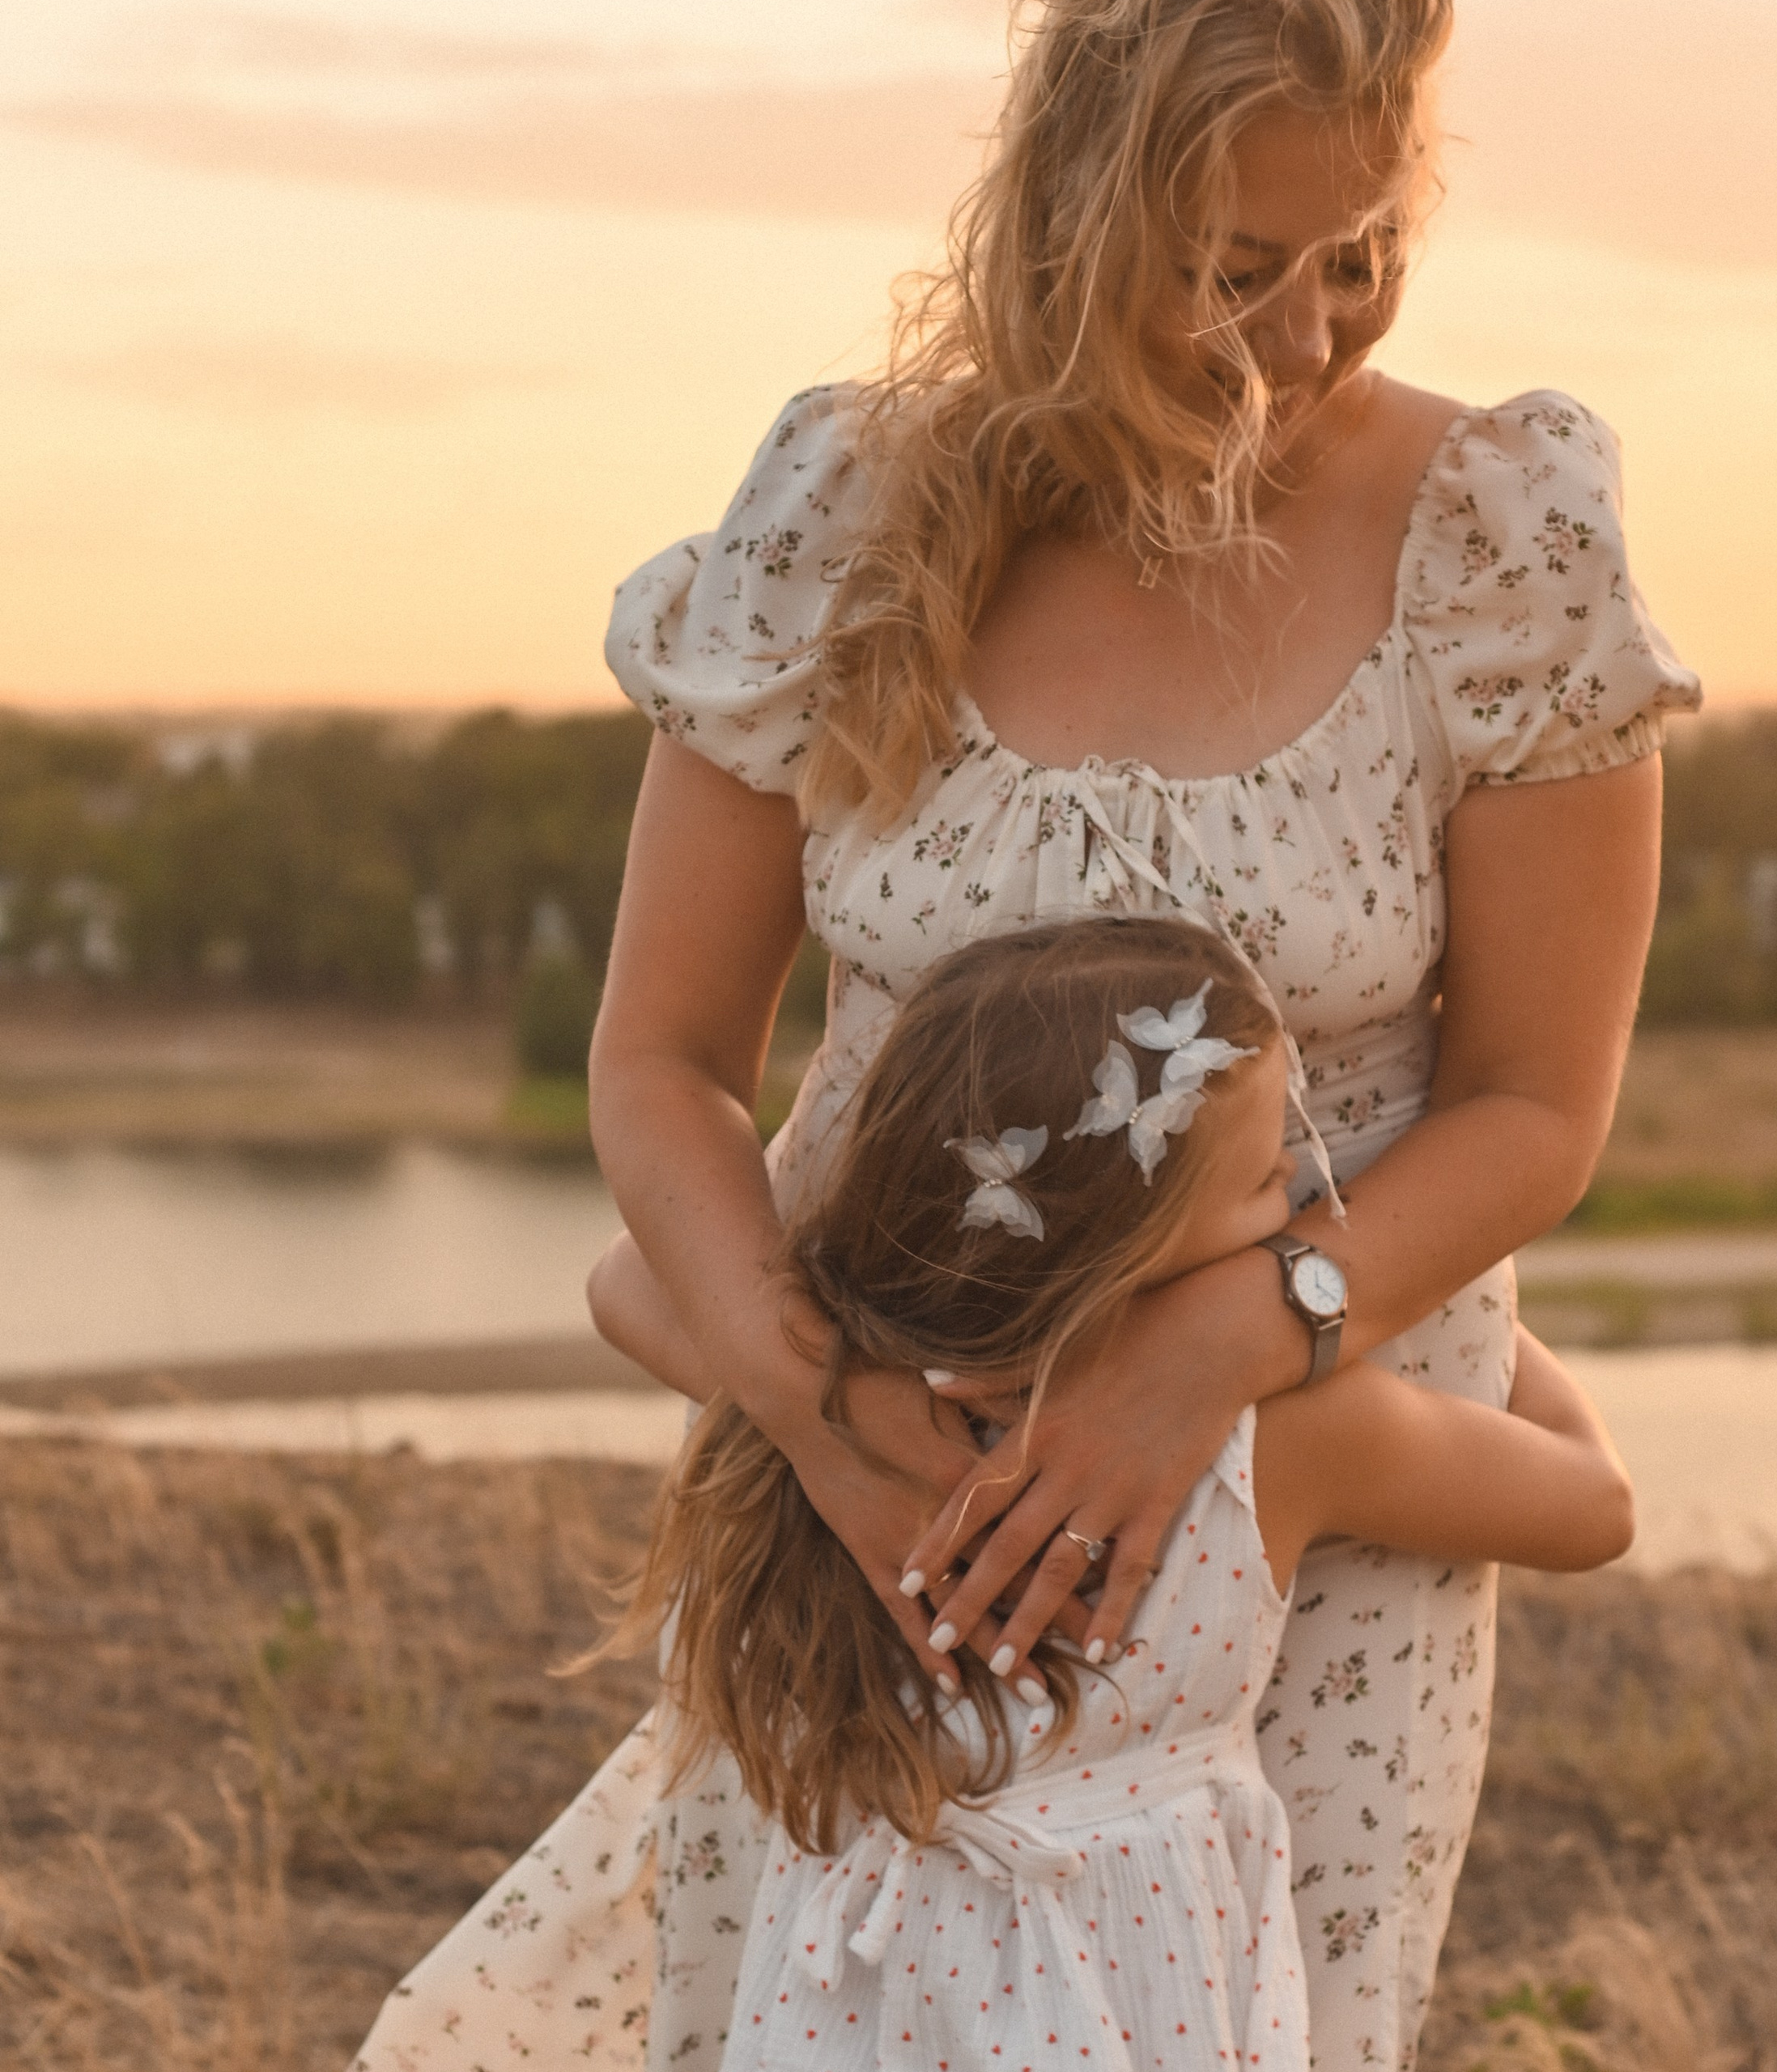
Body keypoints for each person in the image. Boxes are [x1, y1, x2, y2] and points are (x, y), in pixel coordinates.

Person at [352, 0, 1699, 2065]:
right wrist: (826, 1422)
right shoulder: (846, 508)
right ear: (1075, 213)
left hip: (1301, 1495)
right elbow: (656, 1064)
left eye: (1358, 253)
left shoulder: (1498, 536)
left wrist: (1231, 1345)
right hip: (872, 1491)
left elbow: (1535, 1102)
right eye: (1232, 268)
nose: (1307, 329)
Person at [605, 915, 1634, 2071]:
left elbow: (624, 1282)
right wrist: (1461, 1307)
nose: (1298, 1182)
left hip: (852, 1989)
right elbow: (1594, 1504)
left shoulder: (872, 1416)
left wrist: (824, 1390)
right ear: (1132, 1241)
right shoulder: (1280, 1442)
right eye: (1261, 1180)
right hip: (1140, 1986)